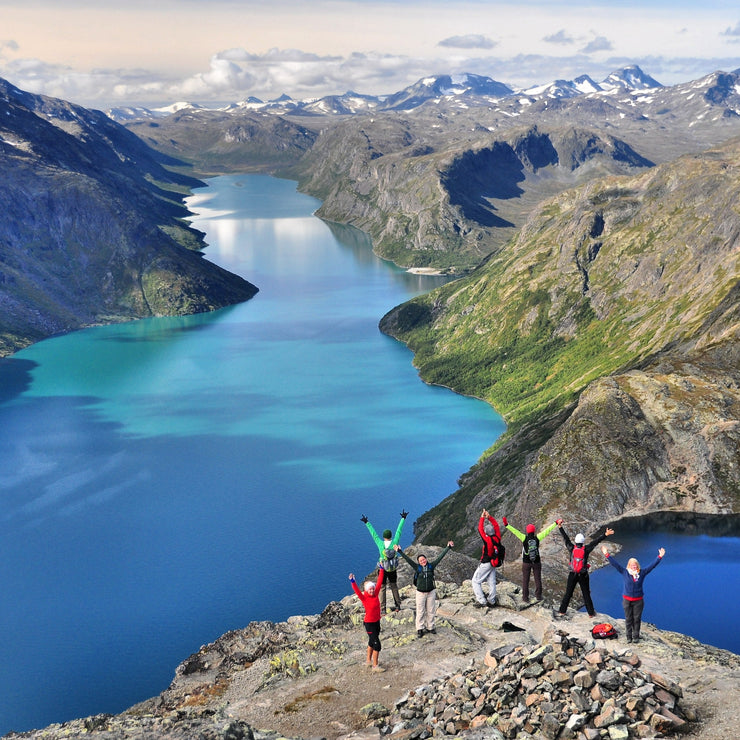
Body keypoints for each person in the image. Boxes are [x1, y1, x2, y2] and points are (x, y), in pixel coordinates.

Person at [601, 545, 666, 643]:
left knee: (637, 619)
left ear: (637, 565)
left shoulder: (642, 573)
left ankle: (635, 637)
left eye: (635, 565)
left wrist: (660, 556)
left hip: (638, 601)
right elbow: (615, 564)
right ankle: (628, 637)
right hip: (626, 600)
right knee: (628, 619)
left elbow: (652, 566)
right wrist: (606, 554)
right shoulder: (625, 572)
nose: (634, 566)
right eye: (632, 565)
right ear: (629, 565)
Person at [395, 541, 454, 638]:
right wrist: (400, 552)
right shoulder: (417, 568)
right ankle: (420, 628)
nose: (423, 561)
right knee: (420, 611)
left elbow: (440, 557)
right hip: (420, 593)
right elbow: (408, 560)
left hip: (431, 592)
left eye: (424, 559)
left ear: (426, 559)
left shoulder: (431, 566)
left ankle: (430, 627)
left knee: (431, 610)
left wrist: (448, 547)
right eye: (421, 560)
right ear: (418, 562)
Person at [557, 522, 614, 617]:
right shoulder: (586, 549)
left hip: (573, 573)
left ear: (575, 541)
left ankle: (562, 611)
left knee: (568, 593)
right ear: (583, 541)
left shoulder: (571, 548)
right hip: (583, 574)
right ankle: (591, 613)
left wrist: (560, 527)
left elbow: (565, 538)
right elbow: (595, 542)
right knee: (586, 594)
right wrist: (605, 534)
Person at [503, 515, 559, 603]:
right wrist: (555, 523)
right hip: (536, 561)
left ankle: (525, 598)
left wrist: (507, 525)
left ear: (527, 531)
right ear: (534, 531)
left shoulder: (524, 538)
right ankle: (539, 596)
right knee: (537, 579)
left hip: (526, 562)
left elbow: (515, 531)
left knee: (526, 580)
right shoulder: (538, 538)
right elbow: (547, 530)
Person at [360, 510, 408, 612]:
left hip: (382, 569)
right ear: (390, 536)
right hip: (393, 568)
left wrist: (366, 522)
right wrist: (403, 518)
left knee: (382, 588)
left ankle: (382, 609)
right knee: (394, 586)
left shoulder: (380, 544)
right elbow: (399, 531)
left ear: (384, 536)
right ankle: (398, 606)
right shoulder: (395, 542)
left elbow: (373, 534)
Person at [349, 565, 386, 672]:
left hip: (376, 622)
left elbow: (379, 581)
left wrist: (382, 570)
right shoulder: (364, 597)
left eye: (372, 588)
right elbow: (356, 590)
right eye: (370, 589)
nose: (372, 590)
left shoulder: (376, 593)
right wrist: (352, 581)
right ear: (366, 590)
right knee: (377, 645)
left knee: (371, 641)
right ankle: (375, 666)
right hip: (369, 623)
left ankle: (368, 661)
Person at [472, 509, 503, 608]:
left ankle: (482, 601)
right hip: (494, 562)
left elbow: (480, 529)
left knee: (475, 581)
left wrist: (482, 518)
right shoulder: (497, 538)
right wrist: (489, 517)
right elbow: (497, 526)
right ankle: (492, 600)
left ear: (486, 532)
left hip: (486, 563)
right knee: (492, 582)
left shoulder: (487, 539)